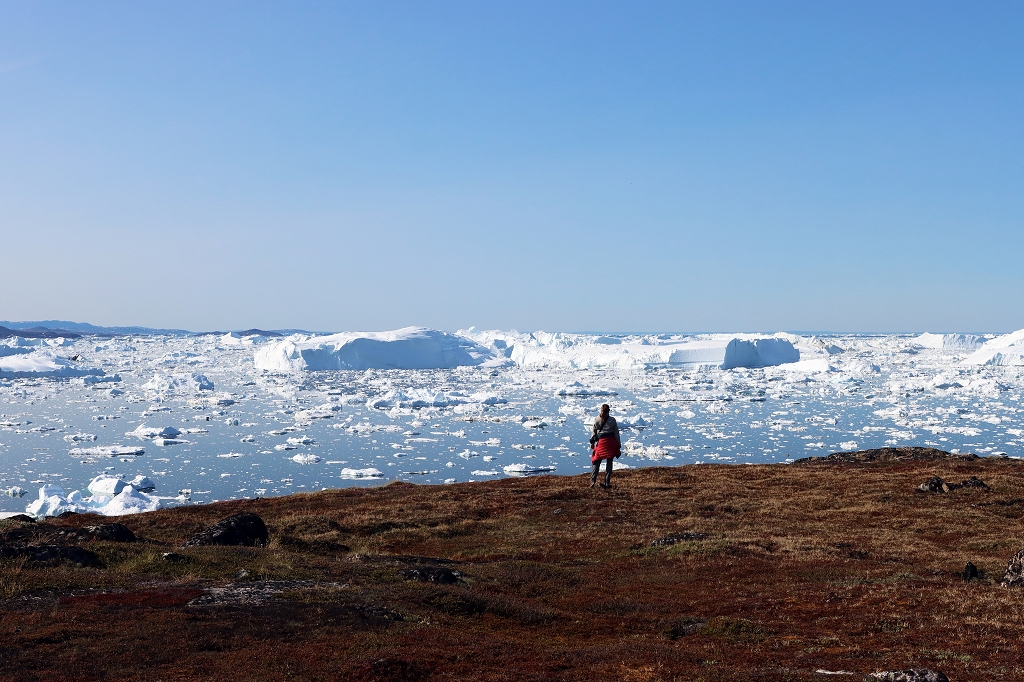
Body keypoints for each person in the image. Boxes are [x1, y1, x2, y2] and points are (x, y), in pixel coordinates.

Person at [589, 403, 620, 488]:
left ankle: (593, 481)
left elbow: (593, 433)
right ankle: (607, 482)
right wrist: (618, 444)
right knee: (609, 462)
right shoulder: (612, 420)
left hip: (601, 443)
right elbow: (616, 433)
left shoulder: (596, 420)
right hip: (611, 443)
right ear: (609, 411)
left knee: (596, 460)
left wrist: (592, 444)